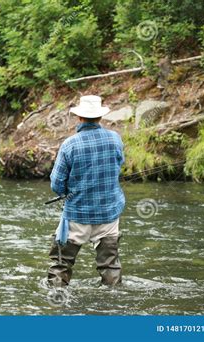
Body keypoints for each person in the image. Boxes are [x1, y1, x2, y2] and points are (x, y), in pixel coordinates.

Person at [47, 95, 125, 287]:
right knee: (110, 266)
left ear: (79, 118)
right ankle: (113, 301)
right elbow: (118, 165)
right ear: (100, 117)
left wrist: (70, 192)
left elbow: (56, 184)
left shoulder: (70, 144)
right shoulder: (115, 139)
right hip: (109, 213)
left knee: (61, 264)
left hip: (77, 215)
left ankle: (57, 298)